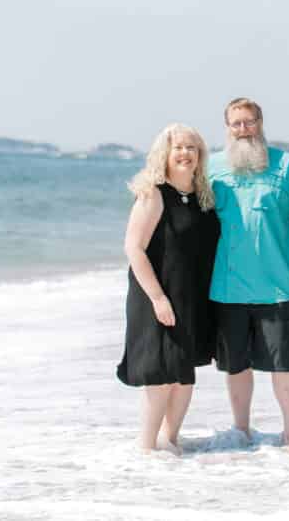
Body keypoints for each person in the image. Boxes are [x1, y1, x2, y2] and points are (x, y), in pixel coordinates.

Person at [208, 97, 289, 453]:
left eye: (249, 122)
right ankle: (240, 430)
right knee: (236, 366)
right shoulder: (211, 168)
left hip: (277, 288)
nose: (243, 130)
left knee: (286, 363)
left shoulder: (288, 167)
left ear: (260, 122)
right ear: (227, 128)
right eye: (236, 124)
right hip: (226, 289)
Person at [116, 123, 220, 454]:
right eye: (179, 147)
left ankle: (170, 442)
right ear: (165, 152)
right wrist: (159, 298)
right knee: (160, 375)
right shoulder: (154, 194)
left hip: (192, 297)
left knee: (184, 375)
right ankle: (146, 450)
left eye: (192, 148)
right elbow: (134, 248)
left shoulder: (205, 198)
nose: (186, 153)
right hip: (155, 296)